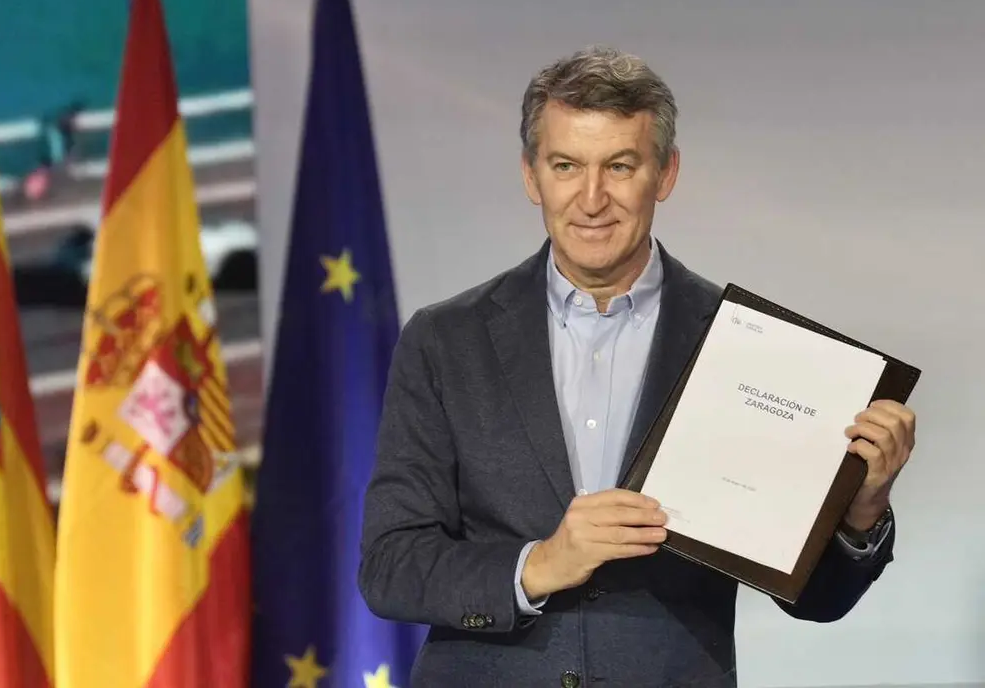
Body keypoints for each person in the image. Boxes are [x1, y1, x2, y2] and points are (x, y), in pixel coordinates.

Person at [358, 45, 917, 687]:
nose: (591, 198)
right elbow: (390, 565)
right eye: (566, 165)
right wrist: (538, 564)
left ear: (666, 173)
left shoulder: (747, 351)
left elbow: (817, 602)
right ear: (530, 174)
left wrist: (862, 508)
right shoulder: (444, 340)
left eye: (620, 166)